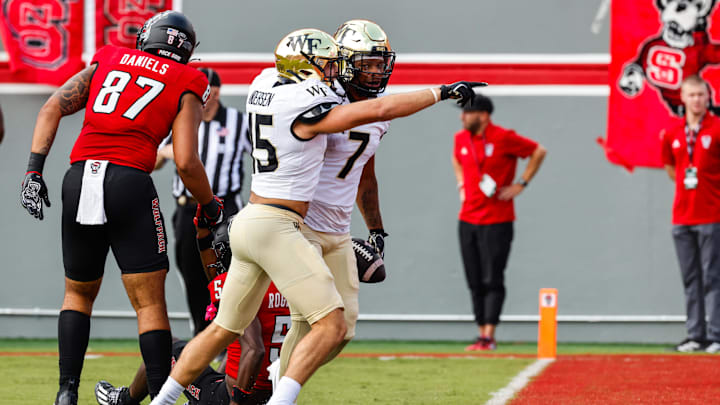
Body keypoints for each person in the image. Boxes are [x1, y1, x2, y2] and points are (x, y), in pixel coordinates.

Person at [150, 27, 482, 405]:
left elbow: (366, 154)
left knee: (226, 328)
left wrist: (376, 228)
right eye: (325, 65)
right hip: (282, 225)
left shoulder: (267, 83)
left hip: (259, 220)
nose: (331, 72)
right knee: (329, 324)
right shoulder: (308, 103)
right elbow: (376, 108)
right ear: (304, 68)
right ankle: (280, 399)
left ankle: (163, 401)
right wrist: (439, 91)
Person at [19, 11, 224, 404]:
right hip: (129, 182)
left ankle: (66, 393)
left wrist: (33, 172)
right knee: (149, 303)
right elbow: (185, 161)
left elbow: (51, 107)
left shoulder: (109, 56)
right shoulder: (188, 79)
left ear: (147, 37)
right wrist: (210, 205)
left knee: (77, 295)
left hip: (79, 178)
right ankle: (162, 396)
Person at [278, 19, 394, 377]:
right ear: (343, 62)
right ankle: (270, 390)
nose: (375, 73)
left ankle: (276, 382)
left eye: (380, 64)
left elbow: (365, 175)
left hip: (337, 230)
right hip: (299, 224)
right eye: (367, 64)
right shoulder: (321, 101)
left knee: (343, 327)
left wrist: (376, 229)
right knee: (290, 320)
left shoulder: (377, 114)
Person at [95, 221, 290, 405]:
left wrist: (236, 402)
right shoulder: (286, 285)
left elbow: (255, 350)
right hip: (272, 393)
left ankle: (124, 400)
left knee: (163, 344)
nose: (217, 261)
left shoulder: (239, 287)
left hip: (237, 395)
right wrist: (202, 235)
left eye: (220, 253)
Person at [155, 66, 251, 335]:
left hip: (226, 207)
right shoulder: (180, 120)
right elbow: (151, 162)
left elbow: (263, 155)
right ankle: (201, 332)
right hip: (188, 210)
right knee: (191, 273)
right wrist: (165, 153)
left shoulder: (237, 121)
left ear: (217, 92)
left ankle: (230, 333)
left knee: (231, 272)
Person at [451, 94, 546, 351]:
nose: (462, 117)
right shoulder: (461, 139)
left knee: (492, 277)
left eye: (466, 113)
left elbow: (538, 151)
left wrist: (521, 184)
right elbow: (457, 159)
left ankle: (489, 335)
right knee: (474, 279)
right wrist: (461, 184)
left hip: (497, 221)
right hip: (467, 220)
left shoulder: (504, 137)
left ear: (483, 115)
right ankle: (480, 331)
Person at [661, 75, 720, 354]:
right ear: (682, 98)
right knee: (690, 278)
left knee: (713, 277)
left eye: (701, 95)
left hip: (711, 214)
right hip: (682, 216)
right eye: (692, 95)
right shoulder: (672, 133)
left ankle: (717, 335)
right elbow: (672, 169)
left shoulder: (717, 129)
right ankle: (695, 334)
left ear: (708, 98)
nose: (697, 100)